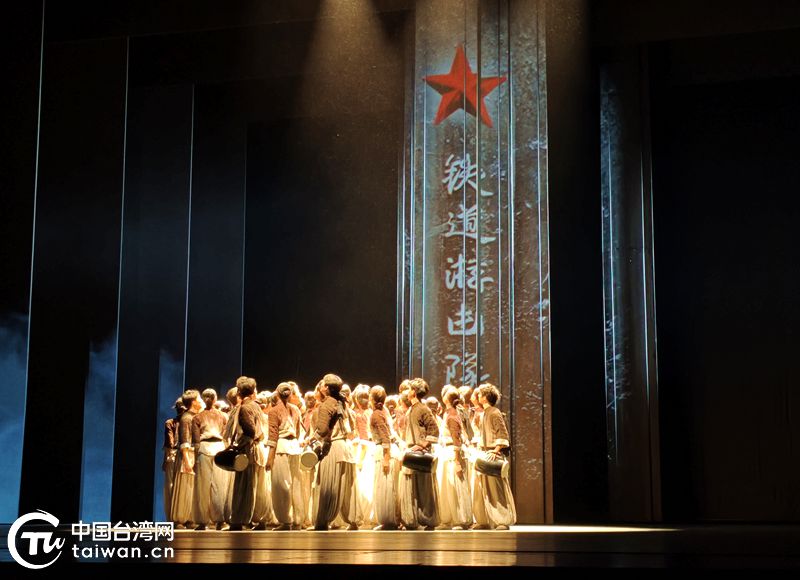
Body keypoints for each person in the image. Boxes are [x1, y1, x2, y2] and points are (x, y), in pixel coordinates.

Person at [312, 373, 357, 530]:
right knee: (346, 487)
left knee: (328, 486)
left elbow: (323, 430)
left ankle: (323, 521)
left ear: (326, 388)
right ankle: (352, 520)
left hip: (333, 448)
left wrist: (313, 440)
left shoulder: (327, 404)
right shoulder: (342, 402)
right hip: (345, 447)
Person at [472, 383, 516, 530]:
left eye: (480, 394)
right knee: (482, 489)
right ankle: (484, 520)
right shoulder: (485, 412)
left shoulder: (494, 412)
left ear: (485, 397)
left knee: (496, 489)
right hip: (484, 453)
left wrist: (496, 450)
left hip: (492, 454)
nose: (478, 396)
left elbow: (502, 434)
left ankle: (502, 520)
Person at [399, 378, 440, 530]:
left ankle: (428, 519)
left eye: (410, 389)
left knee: (423, 489)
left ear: (414, 392)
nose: (407, 392)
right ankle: (412, 519)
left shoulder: (423, 409)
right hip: (412, 452)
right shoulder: (411, 409)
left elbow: (434, 430)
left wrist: (422, 445)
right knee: (411, 488)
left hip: (420, 454)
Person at [266, 382, 304, 530]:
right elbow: (298, 432)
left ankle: (286, 520)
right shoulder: (296, 409)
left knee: (281, 485)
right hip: (294, 447)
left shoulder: (273, 411)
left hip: (281, 447)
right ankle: (297, 520)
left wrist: (270, 458)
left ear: (277, 393)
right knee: (295, 484)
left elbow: (273, 435)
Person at [229, 376, 265, 530]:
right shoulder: (255, 406)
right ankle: (248, 518)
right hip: (255, 448)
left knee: (244, 486)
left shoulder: (245, 407)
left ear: (239, 392)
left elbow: (250, 431)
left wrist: (240, 444)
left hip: (248, 449)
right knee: (252, 485)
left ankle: (240, 519)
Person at [191, 388, 229, 530]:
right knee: (220, 485)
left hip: (204, 449)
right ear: (215, 399)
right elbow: (225, 436)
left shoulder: (198, 417)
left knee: (203, 486)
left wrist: (195, 459)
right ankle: (220, 520)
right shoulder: (223, 416)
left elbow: (196, 441)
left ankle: (203, 521)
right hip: (219, 448)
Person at [438, 388, 473, 530]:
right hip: (447, 453)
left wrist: (457, 461)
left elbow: (456, 440)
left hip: (453, 454)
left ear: (447, 399)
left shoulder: (452, 415)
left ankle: (460, 519)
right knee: (447, 487)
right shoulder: (448, 413)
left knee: (455, 486)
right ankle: (448, 519)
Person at [171, 389, 202, 528]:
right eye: (199, 399)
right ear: (194, 402)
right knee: (184, 486)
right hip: (187, 454)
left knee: (192, 488)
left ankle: (190, 517)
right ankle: (180, 518)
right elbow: (184, 440)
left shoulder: (195, 417)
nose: (201, 401)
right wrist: (187, 460)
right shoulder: (186, 418)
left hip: (194, 453)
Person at [369, 385, 399, 530]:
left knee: (385, 486)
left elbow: (385, 436)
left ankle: (388, 520)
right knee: (386, 485)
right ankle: (389, 520)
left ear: (372, 398)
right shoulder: (381, 412)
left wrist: (386, 458)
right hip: (383, 450)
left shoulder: (377, 414)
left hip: (384, 451)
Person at [162, 397, 185, 521]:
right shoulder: (171, 423)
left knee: (173, 485)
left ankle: (175, 516)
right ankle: (174, 517)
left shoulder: (172, 422)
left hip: (176, 454)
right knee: (173, 485)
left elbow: (168, 445)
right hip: (176, 454)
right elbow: (169, 444)